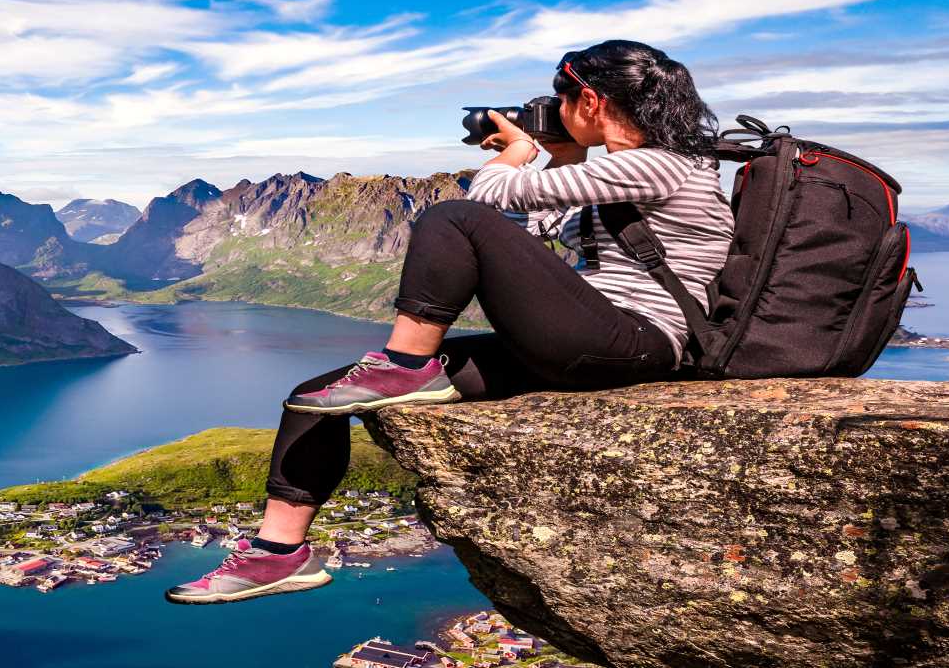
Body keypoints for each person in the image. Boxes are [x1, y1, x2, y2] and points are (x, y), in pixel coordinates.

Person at [165, 39, 735, 605]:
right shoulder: (620, 173)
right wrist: (560, 156)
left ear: (589, 101)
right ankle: (279, 553)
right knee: (316, 395)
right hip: (588, 339)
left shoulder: (664, 164)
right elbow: (523, 232)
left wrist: (515, 155)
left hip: (636, 339)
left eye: (560, 100)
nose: (553, 112)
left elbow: (484, 203)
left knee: (453, 215)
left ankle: (406, 363)